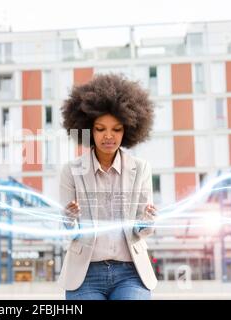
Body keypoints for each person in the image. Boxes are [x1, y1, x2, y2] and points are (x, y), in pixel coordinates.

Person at [58, 74, 158, 300]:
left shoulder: (141, 169)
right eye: (100, 129)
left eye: (117, 129)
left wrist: (146, 220)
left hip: (130, 273)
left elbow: (142, 232)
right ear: (89, 130)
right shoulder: (71, 171)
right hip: (85, 275)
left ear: (128, 130)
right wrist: (68, 218)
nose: (108, 136)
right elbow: (69, 232)